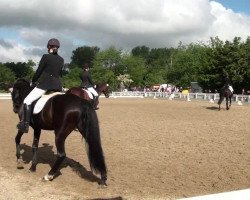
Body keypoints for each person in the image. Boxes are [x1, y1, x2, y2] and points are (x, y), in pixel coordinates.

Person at [17, 38, 64, 133]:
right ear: (58, 48)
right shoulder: (61, 59)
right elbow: (58, 73)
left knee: (27, 100)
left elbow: (39, 70)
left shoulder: (46, 57)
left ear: (49, 47)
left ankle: (25, 124)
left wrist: (33, 80)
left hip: (45, 84)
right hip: (58, 86)